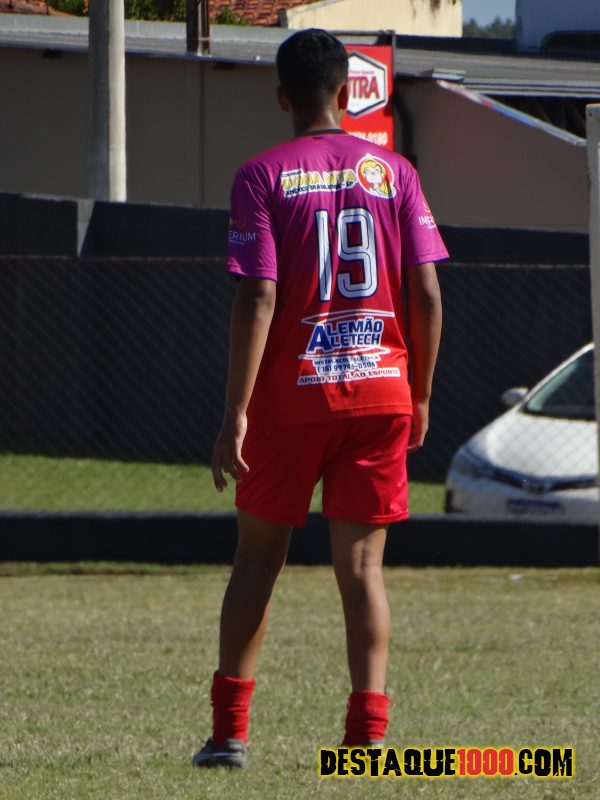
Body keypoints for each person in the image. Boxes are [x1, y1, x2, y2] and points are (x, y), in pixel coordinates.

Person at [192, 28, 447, 769]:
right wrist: (420, 394)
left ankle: (229, 736)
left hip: (290, 398)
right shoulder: (395, 172)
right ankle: (367, 742)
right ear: (346, 93)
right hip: (381, 389)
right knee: (363, 571)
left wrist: (234, 413)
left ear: (282, 98)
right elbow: (428, 292)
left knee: (257, 560)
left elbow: (258, 295)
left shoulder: (261, 175)